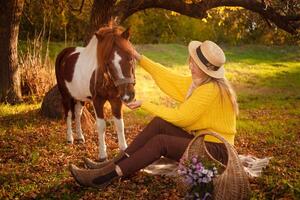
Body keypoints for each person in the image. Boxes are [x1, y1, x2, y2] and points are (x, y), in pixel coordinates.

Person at [69, 40, 239, 188]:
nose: (191, 66)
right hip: (204, 142)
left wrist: (146, 104)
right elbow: (168, 77)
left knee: (161, 142)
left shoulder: (209, 90)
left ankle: (104, 177)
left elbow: (181, 118)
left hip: (216, 153)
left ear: (206, 70)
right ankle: (113, 164)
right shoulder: (201, 83)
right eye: (192, 61)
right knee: (159, 123)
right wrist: (138, 57)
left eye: (195, 64)